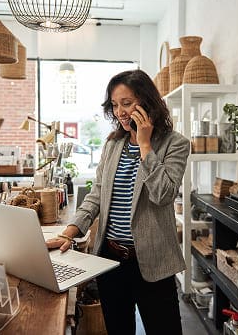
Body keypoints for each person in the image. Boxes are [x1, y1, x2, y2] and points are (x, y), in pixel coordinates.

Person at [46, 69, 190, 334]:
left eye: (127, 103)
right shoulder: (113, 145)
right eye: (115, 105)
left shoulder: (175, 144)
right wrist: (70, 231)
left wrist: (145, 146)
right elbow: (96, 195)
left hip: (154, 263)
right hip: (111, 261)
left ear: (147, 103)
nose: (120, 112)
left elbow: (164, 194)